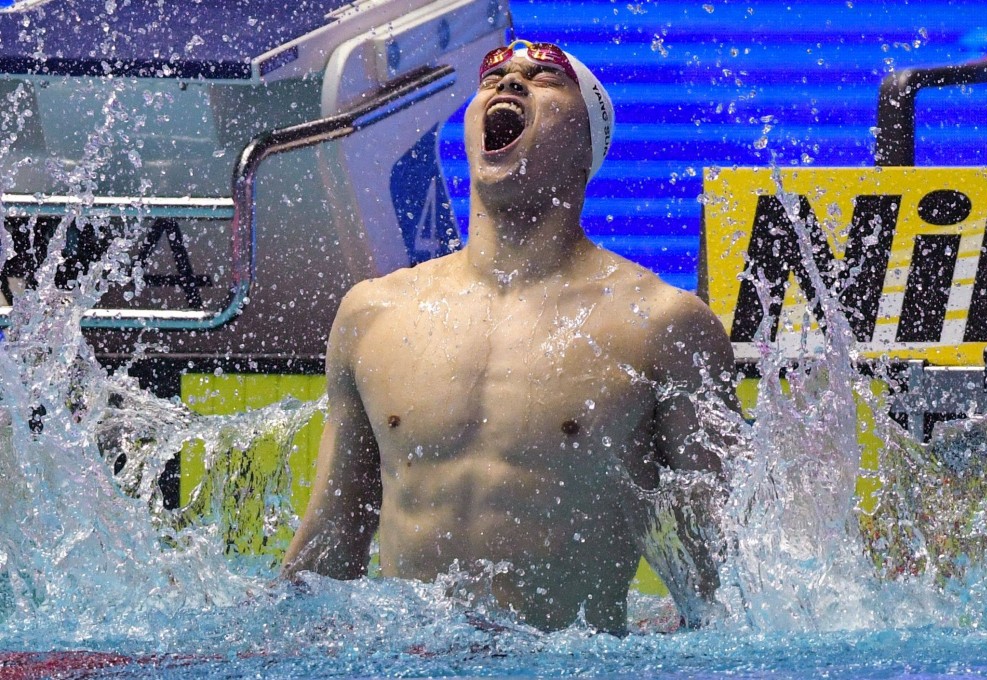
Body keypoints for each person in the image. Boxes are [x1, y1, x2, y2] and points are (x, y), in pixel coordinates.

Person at [282, 39, 737, 633]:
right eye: (493, 76)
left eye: (544, 76)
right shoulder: (375, 314)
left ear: (588, 146)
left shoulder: (661, 324)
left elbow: (721, 579)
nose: (510, 82)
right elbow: (332, 542)